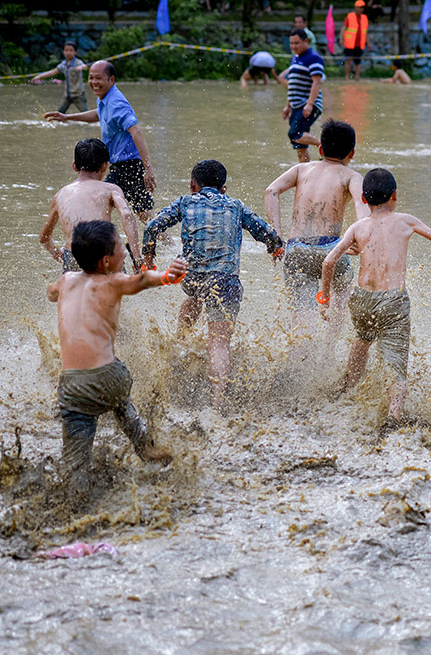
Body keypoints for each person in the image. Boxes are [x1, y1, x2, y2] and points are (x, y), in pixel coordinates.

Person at [318, 168, 431, 434]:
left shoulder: (358, 227)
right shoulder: (406, 221)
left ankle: (347, 390)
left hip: (361, 299)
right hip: (393, 302)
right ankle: (394, 416)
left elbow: (328, 262)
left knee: (362, 339)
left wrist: (324, 297)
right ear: (395, 196)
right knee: (396, 360)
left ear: (363, 199)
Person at [48, 220, 184, 491]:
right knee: (121, 403)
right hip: (109, 376)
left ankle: (75, 489)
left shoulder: (65, 281)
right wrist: (168, 275)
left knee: (75, 460)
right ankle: (145, 447)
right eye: (121, 246)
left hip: (72, 385)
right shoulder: (112, 282)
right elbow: (143, 279)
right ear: (107, 261)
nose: (125, 250)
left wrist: (56, 294)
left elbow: (51, 293)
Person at [142, 160, 284, 406]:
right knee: (218, 346)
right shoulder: (235, 206)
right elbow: (269, 235)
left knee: (194, 297)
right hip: (225, 282)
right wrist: (275, 250)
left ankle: (178, 349)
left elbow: (152, 227)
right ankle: (217, 404)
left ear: (192, 185)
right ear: (224, 189)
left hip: (193, 278)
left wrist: (148, 261)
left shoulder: (185, 202)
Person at [264, 120, 369, 316]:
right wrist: (359, 238)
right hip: (330, 249)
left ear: (320, 149)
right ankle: (330, 342)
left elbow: (271, 191)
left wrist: (276, 236)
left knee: (302, 316)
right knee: (341, 291)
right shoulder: (352, 176)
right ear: (352, 153)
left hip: (296, 248)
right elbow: (361, 206)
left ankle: (302, 343)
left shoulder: (301, 169)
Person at [44, 61, 157, 224]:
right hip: (120, 166)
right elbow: (99, 114)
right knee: (132, 212)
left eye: (98, 78)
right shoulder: (105, 98)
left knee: (138, 213)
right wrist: (67, 117)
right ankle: (103, 240)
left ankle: (100, 240)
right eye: (91, 78)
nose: (94, 82)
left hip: (130, 167)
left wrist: (148, 168)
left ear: (111, 79)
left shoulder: (117, 103)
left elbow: (136, 131)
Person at [39, 138, 142, 273]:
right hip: (105, 254)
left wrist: (58, 255)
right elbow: (127, 215)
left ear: (74, 166)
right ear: (105, 166)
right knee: (114, 292)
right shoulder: (111, 189)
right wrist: (137, 257)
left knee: (77, 293)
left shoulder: (60, 195)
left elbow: (44, 238)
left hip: (75, 255)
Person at [282, 28, 325, 163]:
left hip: (307, 105)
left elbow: (316, 82)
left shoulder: (314, 58)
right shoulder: (295, 58)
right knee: (300, 146)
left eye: (297, 43)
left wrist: (310, 104)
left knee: (294, 134)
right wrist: (287, 106)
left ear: (306, 41)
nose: (294, 46)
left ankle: (324, 146)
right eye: (291, 43)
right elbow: (293, 84)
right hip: (296, 106)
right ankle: (305, 173)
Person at [30, 41, 88, 114]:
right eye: (66, 50)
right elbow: (53, 72)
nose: (68, 52)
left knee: (85, 114)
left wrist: (80, 67)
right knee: (59, 114)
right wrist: (39, 77)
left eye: (71, 50)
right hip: (67, 95)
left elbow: (85, 67)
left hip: (78, 95)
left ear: (75, 52)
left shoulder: (77, 62)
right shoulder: (63, 64)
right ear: (63, 51)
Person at [343, 0, 370, 80]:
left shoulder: (365, 18)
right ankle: (347, 76)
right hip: (350, 43)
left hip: (360, 43)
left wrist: (368, 43)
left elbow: (365, 32)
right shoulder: (350, 16)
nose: (361, 9)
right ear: (355, 7)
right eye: (359, 7)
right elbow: (344, 28)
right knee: (348, 60)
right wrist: (341, 39)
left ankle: (357, 76)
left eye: (362, 8)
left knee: (358, 61)